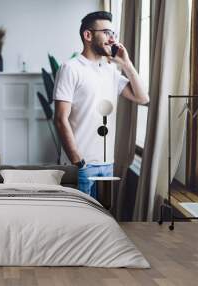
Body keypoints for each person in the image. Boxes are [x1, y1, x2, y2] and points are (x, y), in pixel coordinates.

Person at [53, 11, 149, 198]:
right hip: (81, 165)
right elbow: (60, 119)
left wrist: (127, 64)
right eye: (106, 32)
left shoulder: (110, 71)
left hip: (106, 163)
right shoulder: (70, 68)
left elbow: (142, 97)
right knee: (79, 221)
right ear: (88, 35)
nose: (112, 39)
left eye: (113, 34)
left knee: (101, 219)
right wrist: (78, 161)